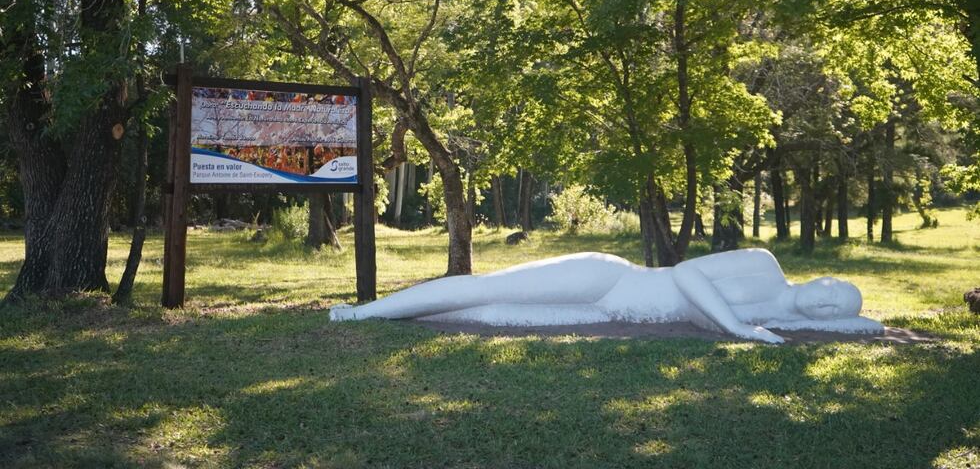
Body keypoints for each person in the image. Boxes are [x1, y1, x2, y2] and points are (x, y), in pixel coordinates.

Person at [330, 248, 884, 343]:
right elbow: (689, 275)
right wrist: (735, 328)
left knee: (490, 313)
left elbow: (870, 327)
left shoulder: (780, 319)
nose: (828, 302)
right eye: (835, 288)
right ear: (823, 276)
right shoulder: (763, 270)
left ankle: (396, 317)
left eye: (840, 308)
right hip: (612, 281)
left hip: (611, 311)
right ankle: (364, 312)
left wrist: (863, 323)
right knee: (489, 287)